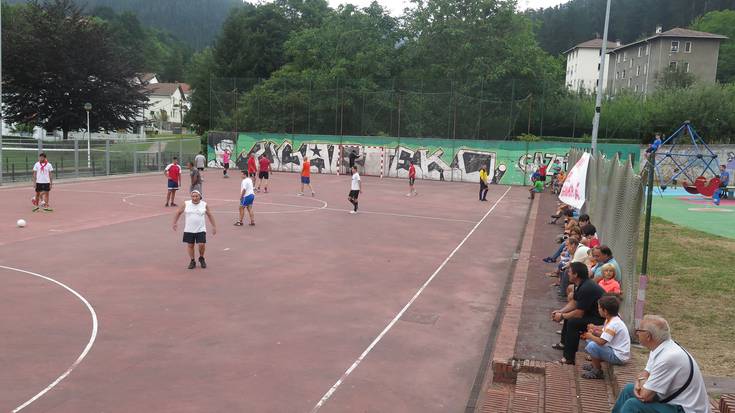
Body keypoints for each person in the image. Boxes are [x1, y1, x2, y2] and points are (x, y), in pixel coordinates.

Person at [612, 315, 709, 413]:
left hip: (687, 410)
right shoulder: (659, 347)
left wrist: (641, 383)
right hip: (673, 402)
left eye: (638, 330)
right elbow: (644, 374)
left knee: (632, 405)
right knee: (629, 389)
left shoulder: (668, 357)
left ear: (648, 336)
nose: (636, 333)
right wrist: (640, 382)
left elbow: (645, 396)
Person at [551, 262, 605, 364]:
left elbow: (579, 313)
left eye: (570, 272)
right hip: (591, 313)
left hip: (600, 319)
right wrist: (560, 311)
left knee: (573, 323)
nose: (568, 274)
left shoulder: (586, 288)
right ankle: (564, 344)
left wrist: (561, 316)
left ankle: (569, 358)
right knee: (569, 318)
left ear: (576, 275)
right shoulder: (580, 284)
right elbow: (575, 303)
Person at [580, 295, 631, 379]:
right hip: (614, 349)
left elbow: (601, 341)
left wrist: (590, 335)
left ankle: (597, 371)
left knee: (592, 345)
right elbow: (604, 334)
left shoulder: (613, 324)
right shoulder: (612, 318)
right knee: (591, 341)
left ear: (605, 311)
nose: (598, 310)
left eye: (599, 308)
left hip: (619, 356)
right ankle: (594, 364)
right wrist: (594, 330)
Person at [172, 190, 216, 269]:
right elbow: (178, 212)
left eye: (196, 196)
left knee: (201, 244)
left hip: (201, 229)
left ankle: (201, 258)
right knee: (190, 245)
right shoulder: (186, 204)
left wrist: (214, 226)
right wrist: (175, 223)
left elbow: (210, 215)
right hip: (189, 229)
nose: (194, 198)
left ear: (200, 197)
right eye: (193, 196)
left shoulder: (204, 204)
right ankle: (192, 260)